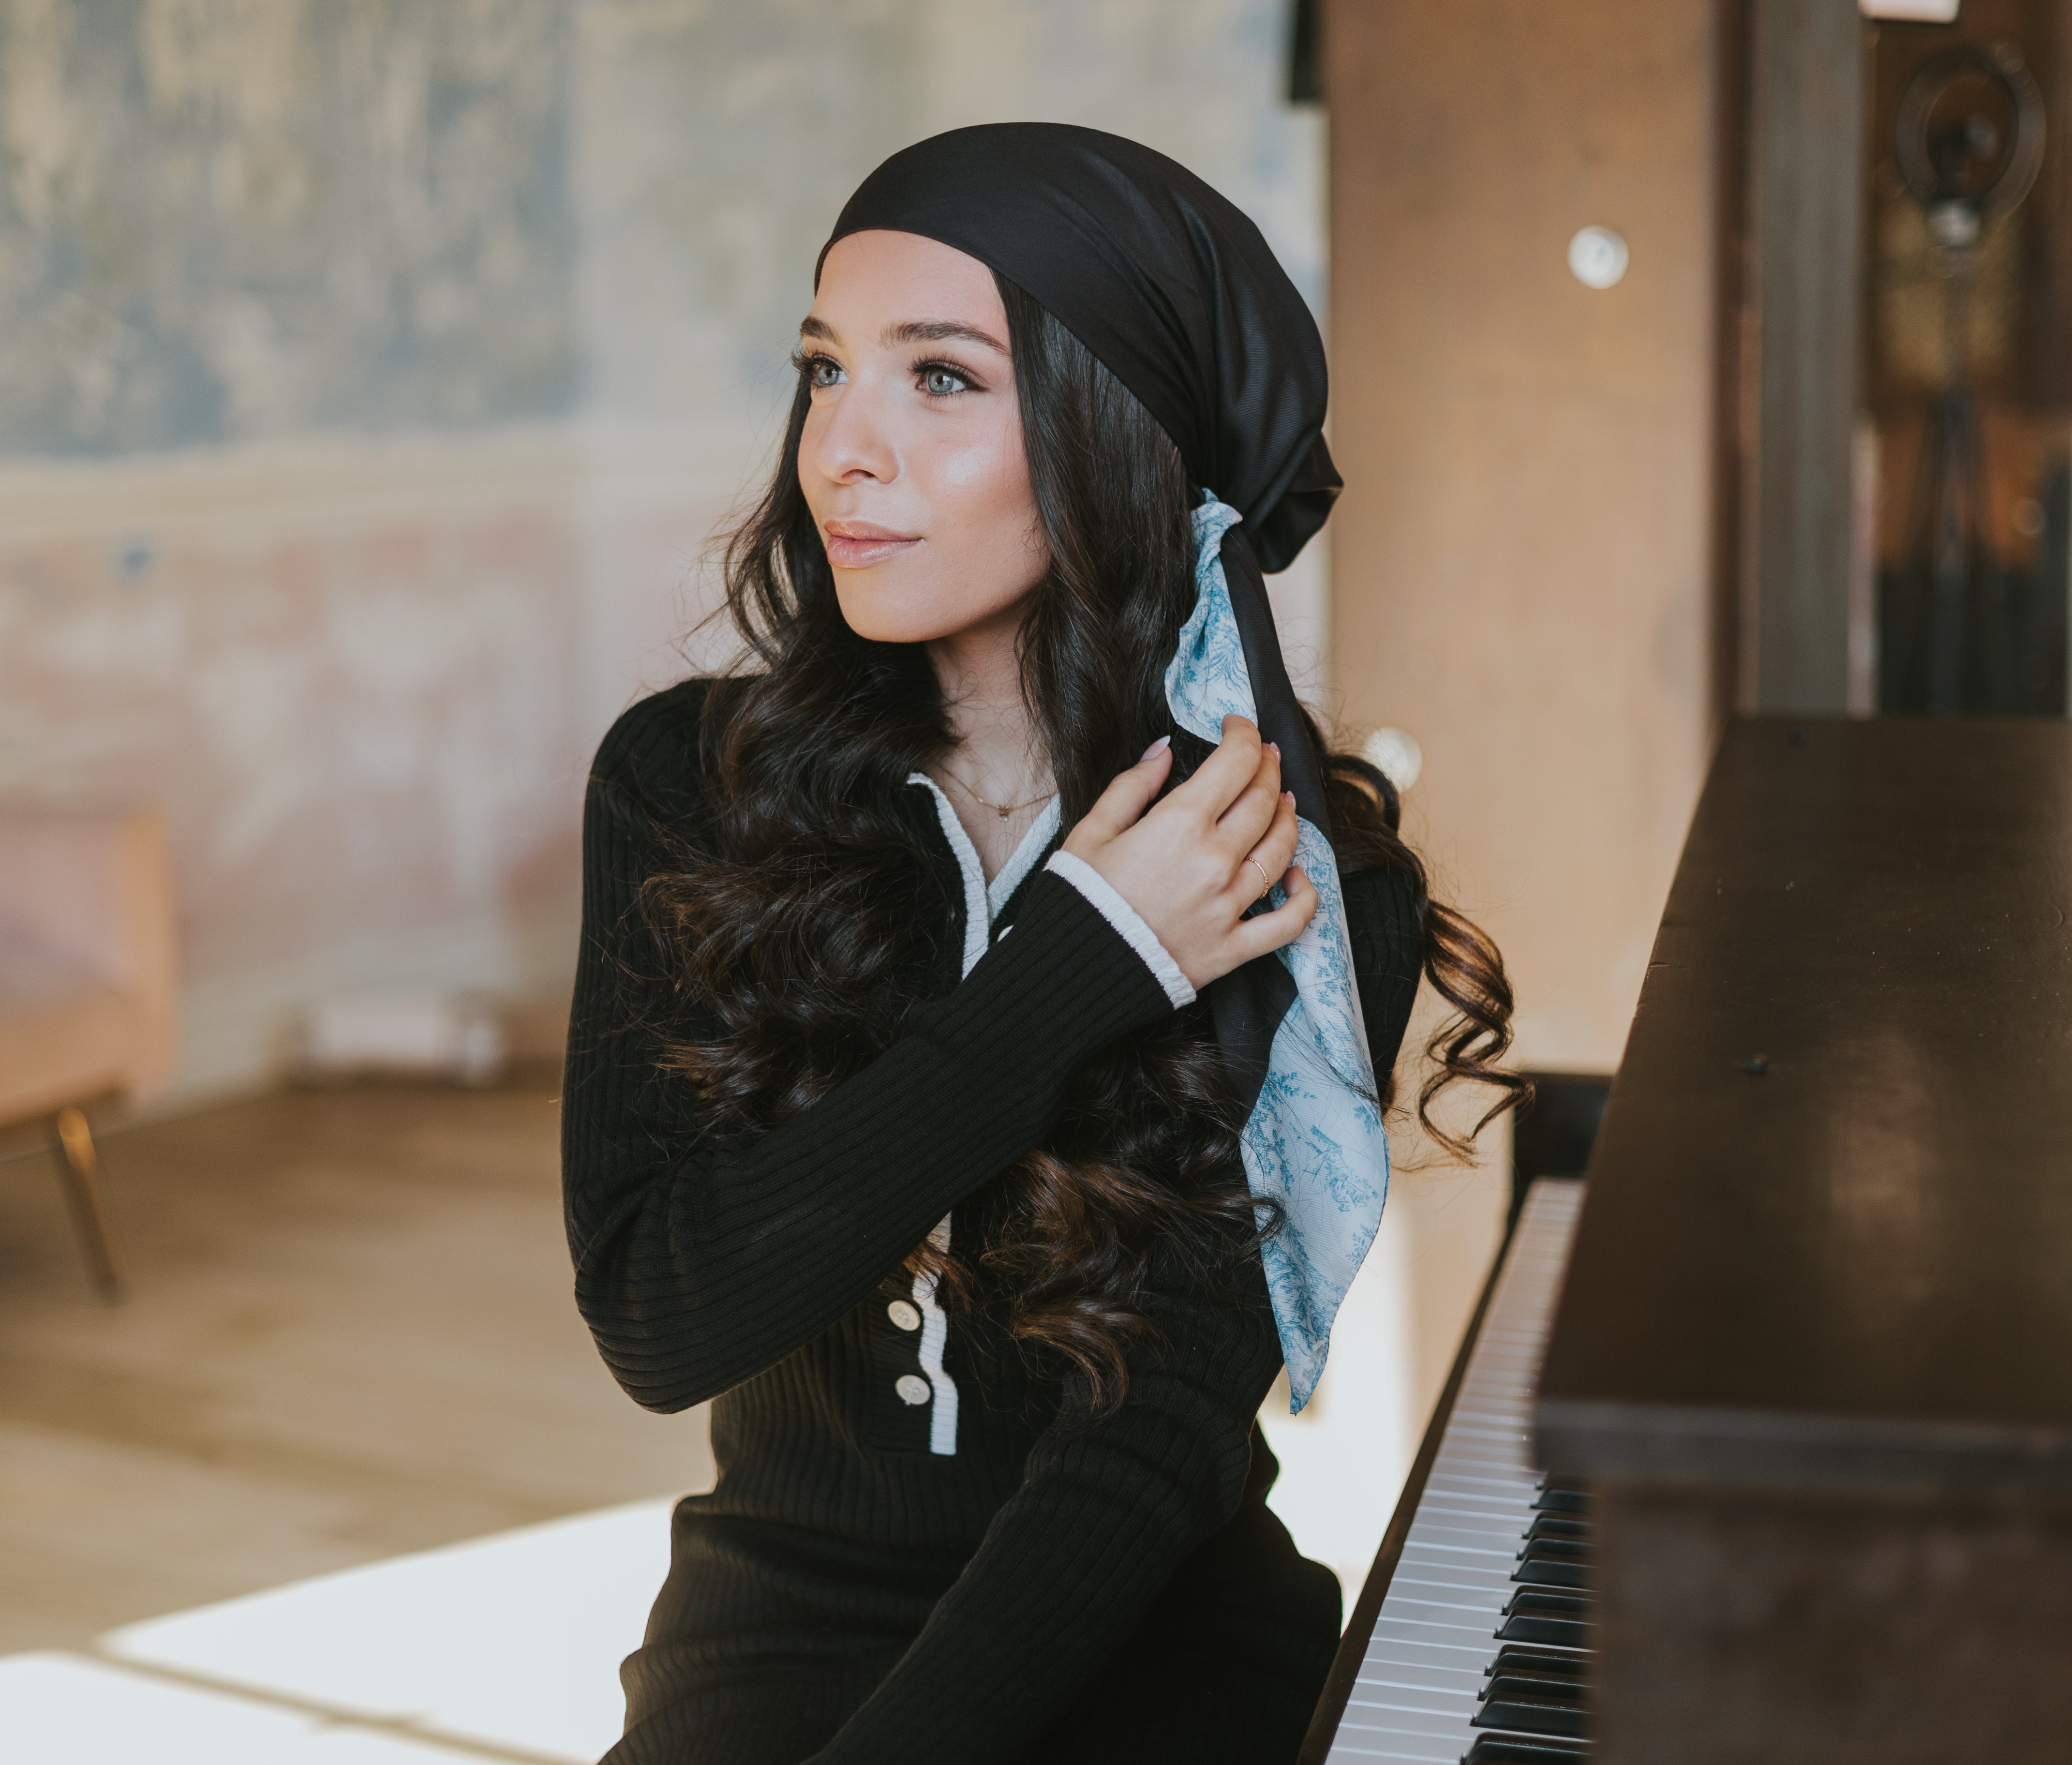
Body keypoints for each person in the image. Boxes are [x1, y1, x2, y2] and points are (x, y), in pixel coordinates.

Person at [562, 124, 1519, 1765]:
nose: (841, 451)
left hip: (1159, 1650)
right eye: (823, 369)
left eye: (940, 381)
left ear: (1113, 432)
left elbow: (1141, 1459)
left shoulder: (1291, 872)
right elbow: (664, 1320)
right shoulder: (685, 785)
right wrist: (1083, 964)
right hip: (767, 1635)